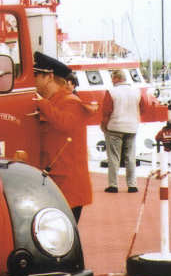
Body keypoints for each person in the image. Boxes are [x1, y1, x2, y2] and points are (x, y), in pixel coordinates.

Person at [33, 51, 98, 223]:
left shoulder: (70, 102)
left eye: (35, 75)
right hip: (56, 180)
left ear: (48, 77)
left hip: (69, 185)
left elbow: (64, 123)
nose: (32, 80)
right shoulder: (54, 102)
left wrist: (40, 102)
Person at [100, 69, 154, 193]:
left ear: (116, 78)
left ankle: (113, 185)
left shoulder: (112, 92)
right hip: (131, 127)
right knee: (130, 156)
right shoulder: (137, 92)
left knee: (114, 157)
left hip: (114, 127)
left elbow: (106, 111)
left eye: (112, 78)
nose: (112, 81)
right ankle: (132, 185)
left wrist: (103, 125)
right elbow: (144, 108)